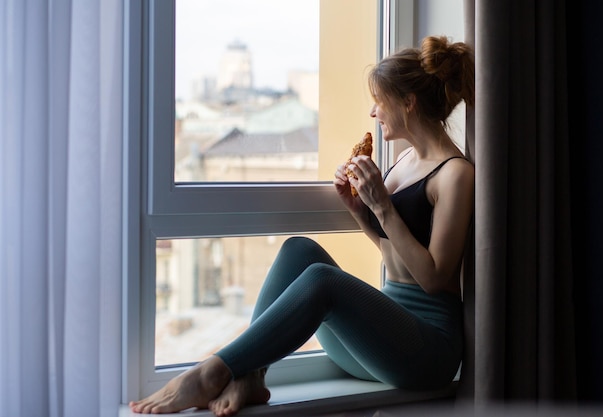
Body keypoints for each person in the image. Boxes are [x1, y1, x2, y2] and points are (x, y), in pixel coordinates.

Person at [130, 35, 475, 416]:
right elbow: (394, 256)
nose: (373, 113)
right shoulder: (406, 159)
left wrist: (382, 207)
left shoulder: (456, 174)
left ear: (408, 103)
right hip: (380, 341)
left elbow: (435, 279)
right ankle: (250, 374)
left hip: (425, 352)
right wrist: (360, 210)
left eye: (380, 101)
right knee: (299, 249)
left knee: (321, 279)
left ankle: (211, 373)